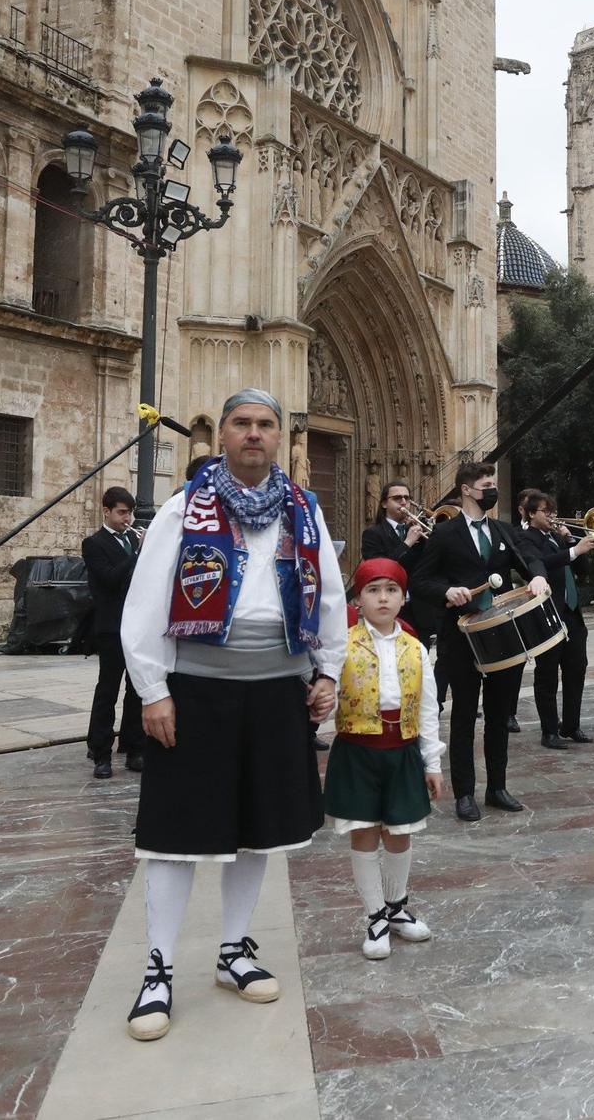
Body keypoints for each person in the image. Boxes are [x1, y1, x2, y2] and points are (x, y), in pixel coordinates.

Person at [117, 388, 346, 1041]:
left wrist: (328, 669)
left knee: (258, 829)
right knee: (175, 834)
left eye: (265, 424)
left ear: (280, 438)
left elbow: (329, 595)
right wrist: (152, 688)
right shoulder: (183, 509)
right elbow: (145, 601)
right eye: (241, 423)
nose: (253, 433)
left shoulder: (305, 511)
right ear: (220, 435)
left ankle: (233, 949)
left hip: (278, 689)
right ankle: (159, 968)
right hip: (198, 690)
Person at [409, 461, 550, 821]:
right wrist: (447, 591)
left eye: (492, 483)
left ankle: (497, 788)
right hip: (462, 638)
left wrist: (536, 577)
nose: (492, 488)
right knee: (464, 717)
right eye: (485, 484)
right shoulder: (445, 533)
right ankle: (465, 794)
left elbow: (530, 556)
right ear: (467, 490)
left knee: (500, 714)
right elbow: (419, 582)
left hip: (504, 636)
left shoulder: (502, 531)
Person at [322, 558, 442, 960]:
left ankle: (397, 907)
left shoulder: (415, 648)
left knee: (400, 831)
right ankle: (374, 915)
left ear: (403, 598)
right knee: (365, 831)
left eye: (391, 590)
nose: (383, 598)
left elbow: (428, 708)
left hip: (402, 750)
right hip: (358, 750)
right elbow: (326, 693)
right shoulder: (342, 645)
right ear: (358, 599)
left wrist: (433, 763)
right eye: (373, 590)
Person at [517, 488, 594, 749]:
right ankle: (549, 731)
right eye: (546, 511)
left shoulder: (556, 537)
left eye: (553, 510)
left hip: (572, 614)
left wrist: (574, 542)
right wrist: (572, 552)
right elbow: (539, 563)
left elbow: (581, 570)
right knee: (547, 675)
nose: (552, 515)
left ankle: (571, 725)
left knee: (577, 669)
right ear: (531, 514)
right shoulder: (526, 538)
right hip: (547, 615)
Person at [82, 487, 147, 780]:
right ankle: (101, 752)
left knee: (136, 689)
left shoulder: (133, 539)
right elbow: (109, 578)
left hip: (136, 626)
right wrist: (139, 552)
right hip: (111, 626)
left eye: (130, 512)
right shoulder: (93, 543)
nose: (128, 518)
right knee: (107, 690)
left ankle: (134, 748)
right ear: (106, 512)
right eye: (122, 512)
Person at [361, 481, 439, 645]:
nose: (403, 502)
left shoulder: (419, 531)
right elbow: (379, 569)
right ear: (384, 503)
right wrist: (407, 543)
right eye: (397, 498)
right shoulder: (372, 534)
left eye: (407, 498)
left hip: (421, 610)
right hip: (390, 607)